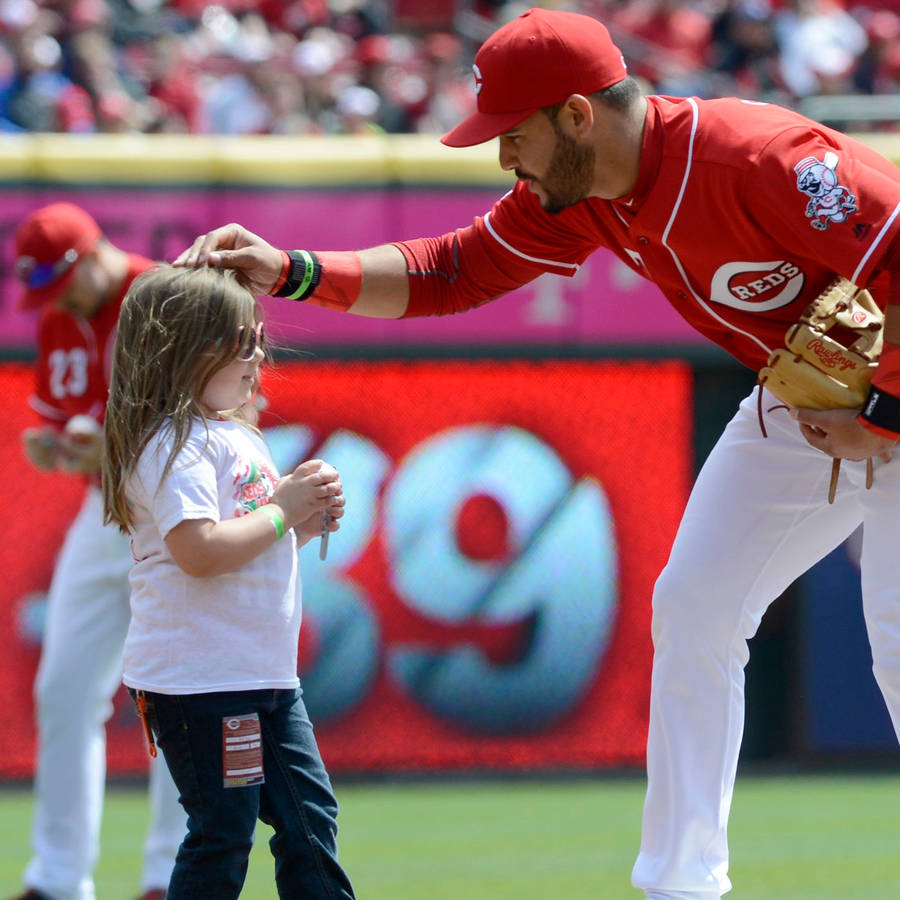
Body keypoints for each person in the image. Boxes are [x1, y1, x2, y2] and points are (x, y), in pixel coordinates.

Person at [174, 8, 900, 897]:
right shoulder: (588, 196)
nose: (503, 158)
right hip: (807, 408)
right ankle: (681, 885)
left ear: (578, 116)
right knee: (695, 609)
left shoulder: (757, 157)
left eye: (513, 134)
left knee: (896, 638)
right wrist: (293, 270)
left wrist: (885, 413)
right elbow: (452, 270)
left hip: (893, 396)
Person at [100, 265, 354, 900]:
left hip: (263, 678)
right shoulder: (174, 444)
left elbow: (247, 547)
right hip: (205, 684)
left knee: (309, 821)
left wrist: (300, 523)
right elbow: (200, 553)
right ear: (183, 349)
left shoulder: (234, 435)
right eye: (243, 343)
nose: (259, 356)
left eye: (258, 340)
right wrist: (283, 511)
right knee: (223, 832)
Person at [14, 202, 185, 900]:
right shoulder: (62, 316)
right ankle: (58, 879)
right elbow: (71, 425)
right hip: (103, 511)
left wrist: (110, 444)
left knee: (179, 695)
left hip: (175, 512)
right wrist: (56, 449)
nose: (57, 302)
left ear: (89, 255)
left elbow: (205, 413)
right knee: (63, 691)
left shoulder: (164, 296)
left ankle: (172, 877)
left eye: (63, 284)